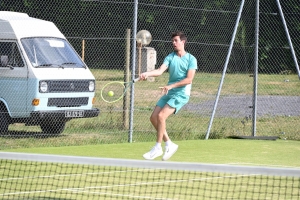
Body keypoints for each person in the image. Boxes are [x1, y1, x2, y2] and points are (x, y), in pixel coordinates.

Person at [139, 31, 198, 161]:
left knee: (161, 116)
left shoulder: (191, 59)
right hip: (169, 91)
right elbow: (160, 71)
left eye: (176, 41)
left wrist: (170, 86)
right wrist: (147, 74)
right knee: (154, 117)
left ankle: (158, 147)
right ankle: (169, 144)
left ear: (183, 42)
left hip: (181, 93)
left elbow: (189, 79)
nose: (173, 43)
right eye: (172, 41)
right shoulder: (170, 57)